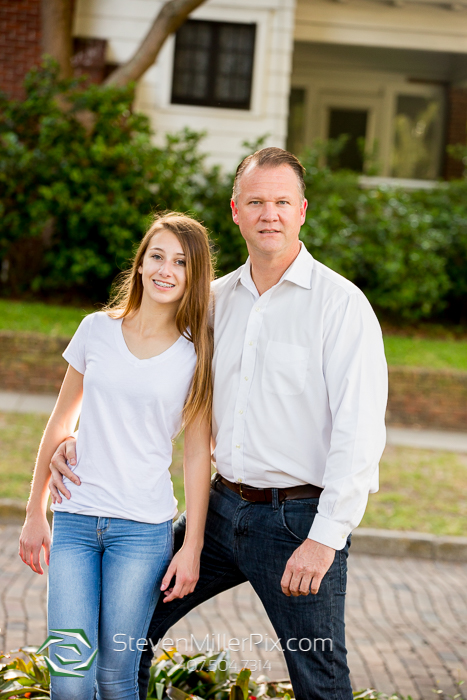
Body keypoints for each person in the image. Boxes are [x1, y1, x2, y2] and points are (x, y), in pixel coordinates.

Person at [49, 148, 388, 700]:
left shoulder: (341, 307)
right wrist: (73, 438)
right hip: (221, 509)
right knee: (129, 637)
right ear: (236, 210)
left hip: (297, 521)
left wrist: (325, 540)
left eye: (281, 201)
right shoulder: (212, 301)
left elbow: (361, 435)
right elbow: (143, 367)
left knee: (319, 679)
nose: (268, 214)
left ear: (303, 210)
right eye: (256, 201)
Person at [19, 213, 214, 700]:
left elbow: (195, 455)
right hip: (75, 524)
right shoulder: (95, 330)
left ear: (195, 276)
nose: (166, 270)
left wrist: (190, 546)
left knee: (116, 677)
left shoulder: (197, 355)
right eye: (157, 256)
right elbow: (61, 422)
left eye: (181, 262)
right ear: (141, 263)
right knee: (69, 677)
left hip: (143, 533)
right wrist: (34, 513)